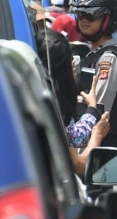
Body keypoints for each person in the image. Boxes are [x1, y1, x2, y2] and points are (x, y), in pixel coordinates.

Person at [35, 29, 112, 174]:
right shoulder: (53, 105)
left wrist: (91, 109)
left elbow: (73, 136)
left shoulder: (28, 92)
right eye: (70, 61)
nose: (74, 65)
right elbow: (78, 162)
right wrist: (97, 134)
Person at [70, 0, 117, 150]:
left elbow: (99, 110)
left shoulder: (108, 58)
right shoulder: (91, 55)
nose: (84, 20)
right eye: (80, 14)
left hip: (98, 150)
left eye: (91, 15)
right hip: (85, 143)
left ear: (108, 19)